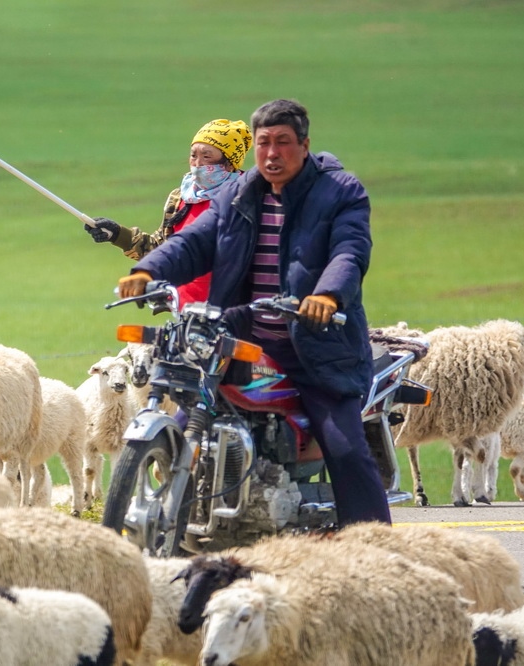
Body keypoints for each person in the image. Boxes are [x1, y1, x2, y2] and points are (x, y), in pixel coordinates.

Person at [116, 99, 391, 527]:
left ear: (304, 145)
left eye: (283, 142)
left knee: (345, 448)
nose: (272, 153)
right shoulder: (238, 193)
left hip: (315, 347)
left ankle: (374, 545)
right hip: (240, 343)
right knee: (184, 429)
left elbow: (349, 252)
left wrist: (327, 296)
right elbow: (196, 241)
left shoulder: (340, 192)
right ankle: (183, 528)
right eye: (264, 143)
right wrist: (148, 269)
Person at [85, 118, 252, 306]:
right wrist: (118, 235)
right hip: (184, 310)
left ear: (229, 163)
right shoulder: (180, 198)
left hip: (230, 309)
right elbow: (163, 249)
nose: (197, 163)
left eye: (207, 157)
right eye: (193, 155)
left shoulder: (244, 200)